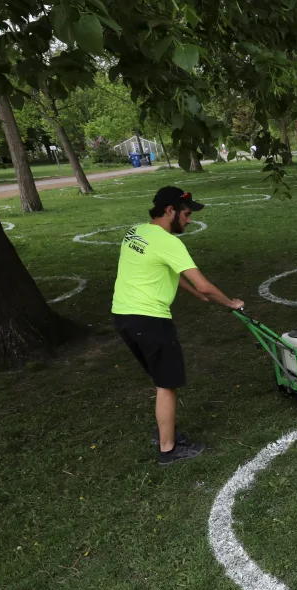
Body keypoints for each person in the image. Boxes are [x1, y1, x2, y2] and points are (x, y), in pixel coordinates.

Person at [111, 187, 245, 466]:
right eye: (186, 214)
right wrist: (230, 303)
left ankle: (165, 432)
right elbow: (205, 284)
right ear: (170, 210)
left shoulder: (136, 232)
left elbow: (166, 270)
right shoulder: (169, 242)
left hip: (124, 317)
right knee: (167, 384)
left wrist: (195, 294)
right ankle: (168, 449)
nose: (189, 220)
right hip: (149, 320)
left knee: (162, 381)